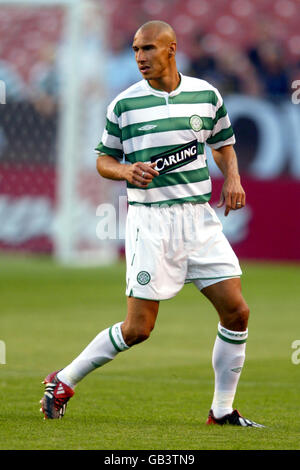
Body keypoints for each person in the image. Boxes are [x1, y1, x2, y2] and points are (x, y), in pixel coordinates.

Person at [40, 21, 264, 427]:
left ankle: (222, 411)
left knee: (237, 312)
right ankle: (63, 379)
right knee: (139, 328)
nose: (140, 57)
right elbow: (103, 160)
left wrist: (232, 177)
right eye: (135, 50)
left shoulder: (205, 95)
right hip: (151, 222)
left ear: (171, 48)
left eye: (148, 49)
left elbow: (223, 144)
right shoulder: (124, 105)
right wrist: (125, 172)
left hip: (199, 218)